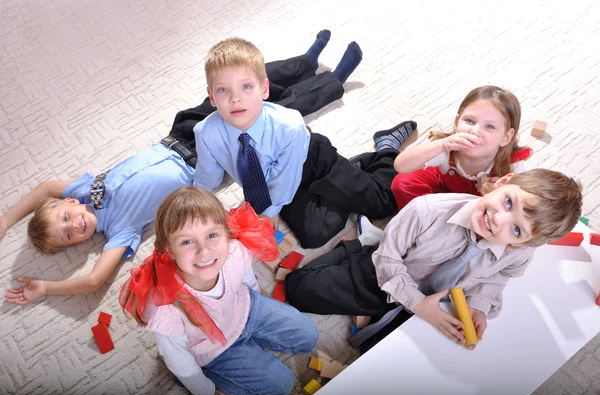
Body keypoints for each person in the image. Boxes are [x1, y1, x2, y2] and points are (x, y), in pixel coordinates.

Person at [1, 32, 354, 305]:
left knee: (237, 88)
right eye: (68, 237)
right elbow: (94, 281)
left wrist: (6, 218)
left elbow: (46, 186)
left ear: (70, 204)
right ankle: (332, 82)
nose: (73, 226)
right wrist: (46, 287)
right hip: (205, 157)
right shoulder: (119, 232)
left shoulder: (83, 190)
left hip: (179, 133)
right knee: (272, 115)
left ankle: (304, 62)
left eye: (64, 218)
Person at [285, 169, 583, 351]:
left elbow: (497, 277)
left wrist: (478, 307)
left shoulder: (519, 253)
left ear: (526, 242)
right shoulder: (427, 210)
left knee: (387, 352)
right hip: (385, 273)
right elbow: (388, 259)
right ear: (503, 181)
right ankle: (359, 245)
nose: (499, 219)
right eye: (508, 202)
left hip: (435, 297)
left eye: (516, 229)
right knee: (299, 291)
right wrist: (416, 303)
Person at [193, 35, 417, 249]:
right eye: (223, 90)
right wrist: (198, 209)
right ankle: (353, 170)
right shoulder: (205, 133)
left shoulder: (289, 126)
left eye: (246, 86)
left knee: (383, 203)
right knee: (314, 235)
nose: (235, 98)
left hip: (313, 162)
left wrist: (268, 213)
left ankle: (386, 148)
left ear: (264, 89)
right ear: (211, 97)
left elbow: (285, 180)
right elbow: (206, 177)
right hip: (275, 183)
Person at [119, 186, 318, 395]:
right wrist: (207, 392)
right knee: (281, 386)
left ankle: (253, 339)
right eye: (187, 241)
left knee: (308, 335)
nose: (204, 251)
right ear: (169, 250)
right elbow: (178, 359)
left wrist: (259, 296)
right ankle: (206, 374)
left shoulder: (233, 251)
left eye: (212, 235)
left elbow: (244, 274)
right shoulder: (164, 306)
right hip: (210, 348)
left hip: (245, 308)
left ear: (226, 233)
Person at [391, 85, 532, 210]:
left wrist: (507, 190)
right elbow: (400, 166)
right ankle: (423, 221)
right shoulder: (446, 147)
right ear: (457, 121)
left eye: (489, 126)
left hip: (479, 206)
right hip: (442, 190)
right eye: (470, 121)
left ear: (505, 138)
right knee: (402, 183)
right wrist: (441, 145)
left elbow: (531, 201)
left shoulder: (514, 164)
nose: (475, 131)